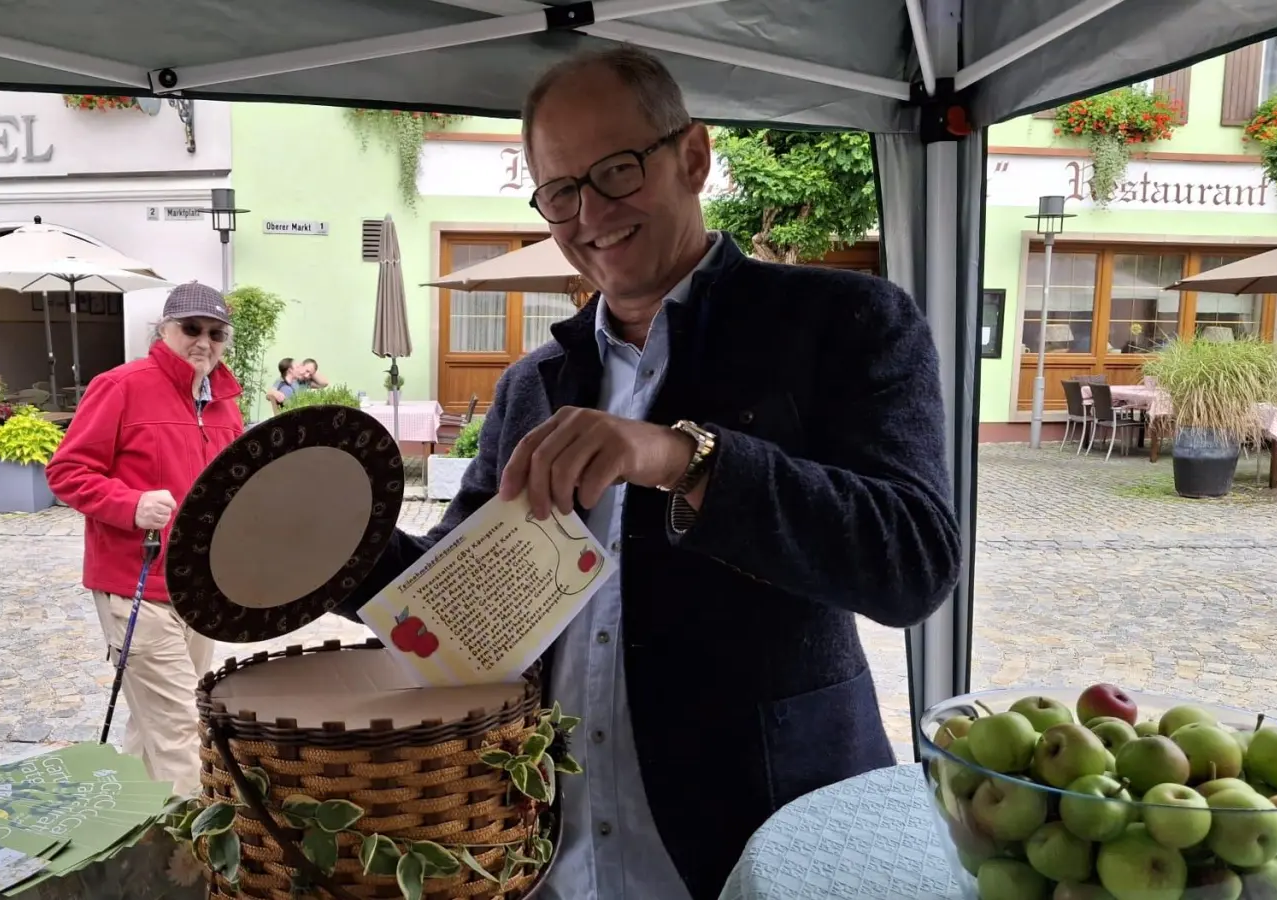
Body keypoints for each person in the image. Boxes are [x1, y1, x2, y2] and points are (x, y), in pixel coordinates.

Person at [345, 47, 961, 898]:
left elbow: (913, 563)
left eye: (617, 170)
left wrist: (682, 456)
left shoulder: (843, 322)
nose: (590, 212)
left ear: (695, 157)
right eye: (561, 191)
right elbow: (460, 599)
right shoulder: (535, 383)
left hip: (769, 849)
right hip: (557, 858)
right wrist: (340, 552)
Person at [46, 281, 245, 796]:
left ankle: (131, 832)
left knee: (153, 723)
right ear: (164, 329)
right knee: (182, 727)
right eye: (191, 329)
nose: (203, 341)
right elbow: (67, 471)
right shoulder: (122, 385)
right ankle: (195, 858)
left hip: (202, 589)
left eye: (215, 332)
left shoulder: (226, 402)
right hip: (136, 584)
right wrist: (130, 505)